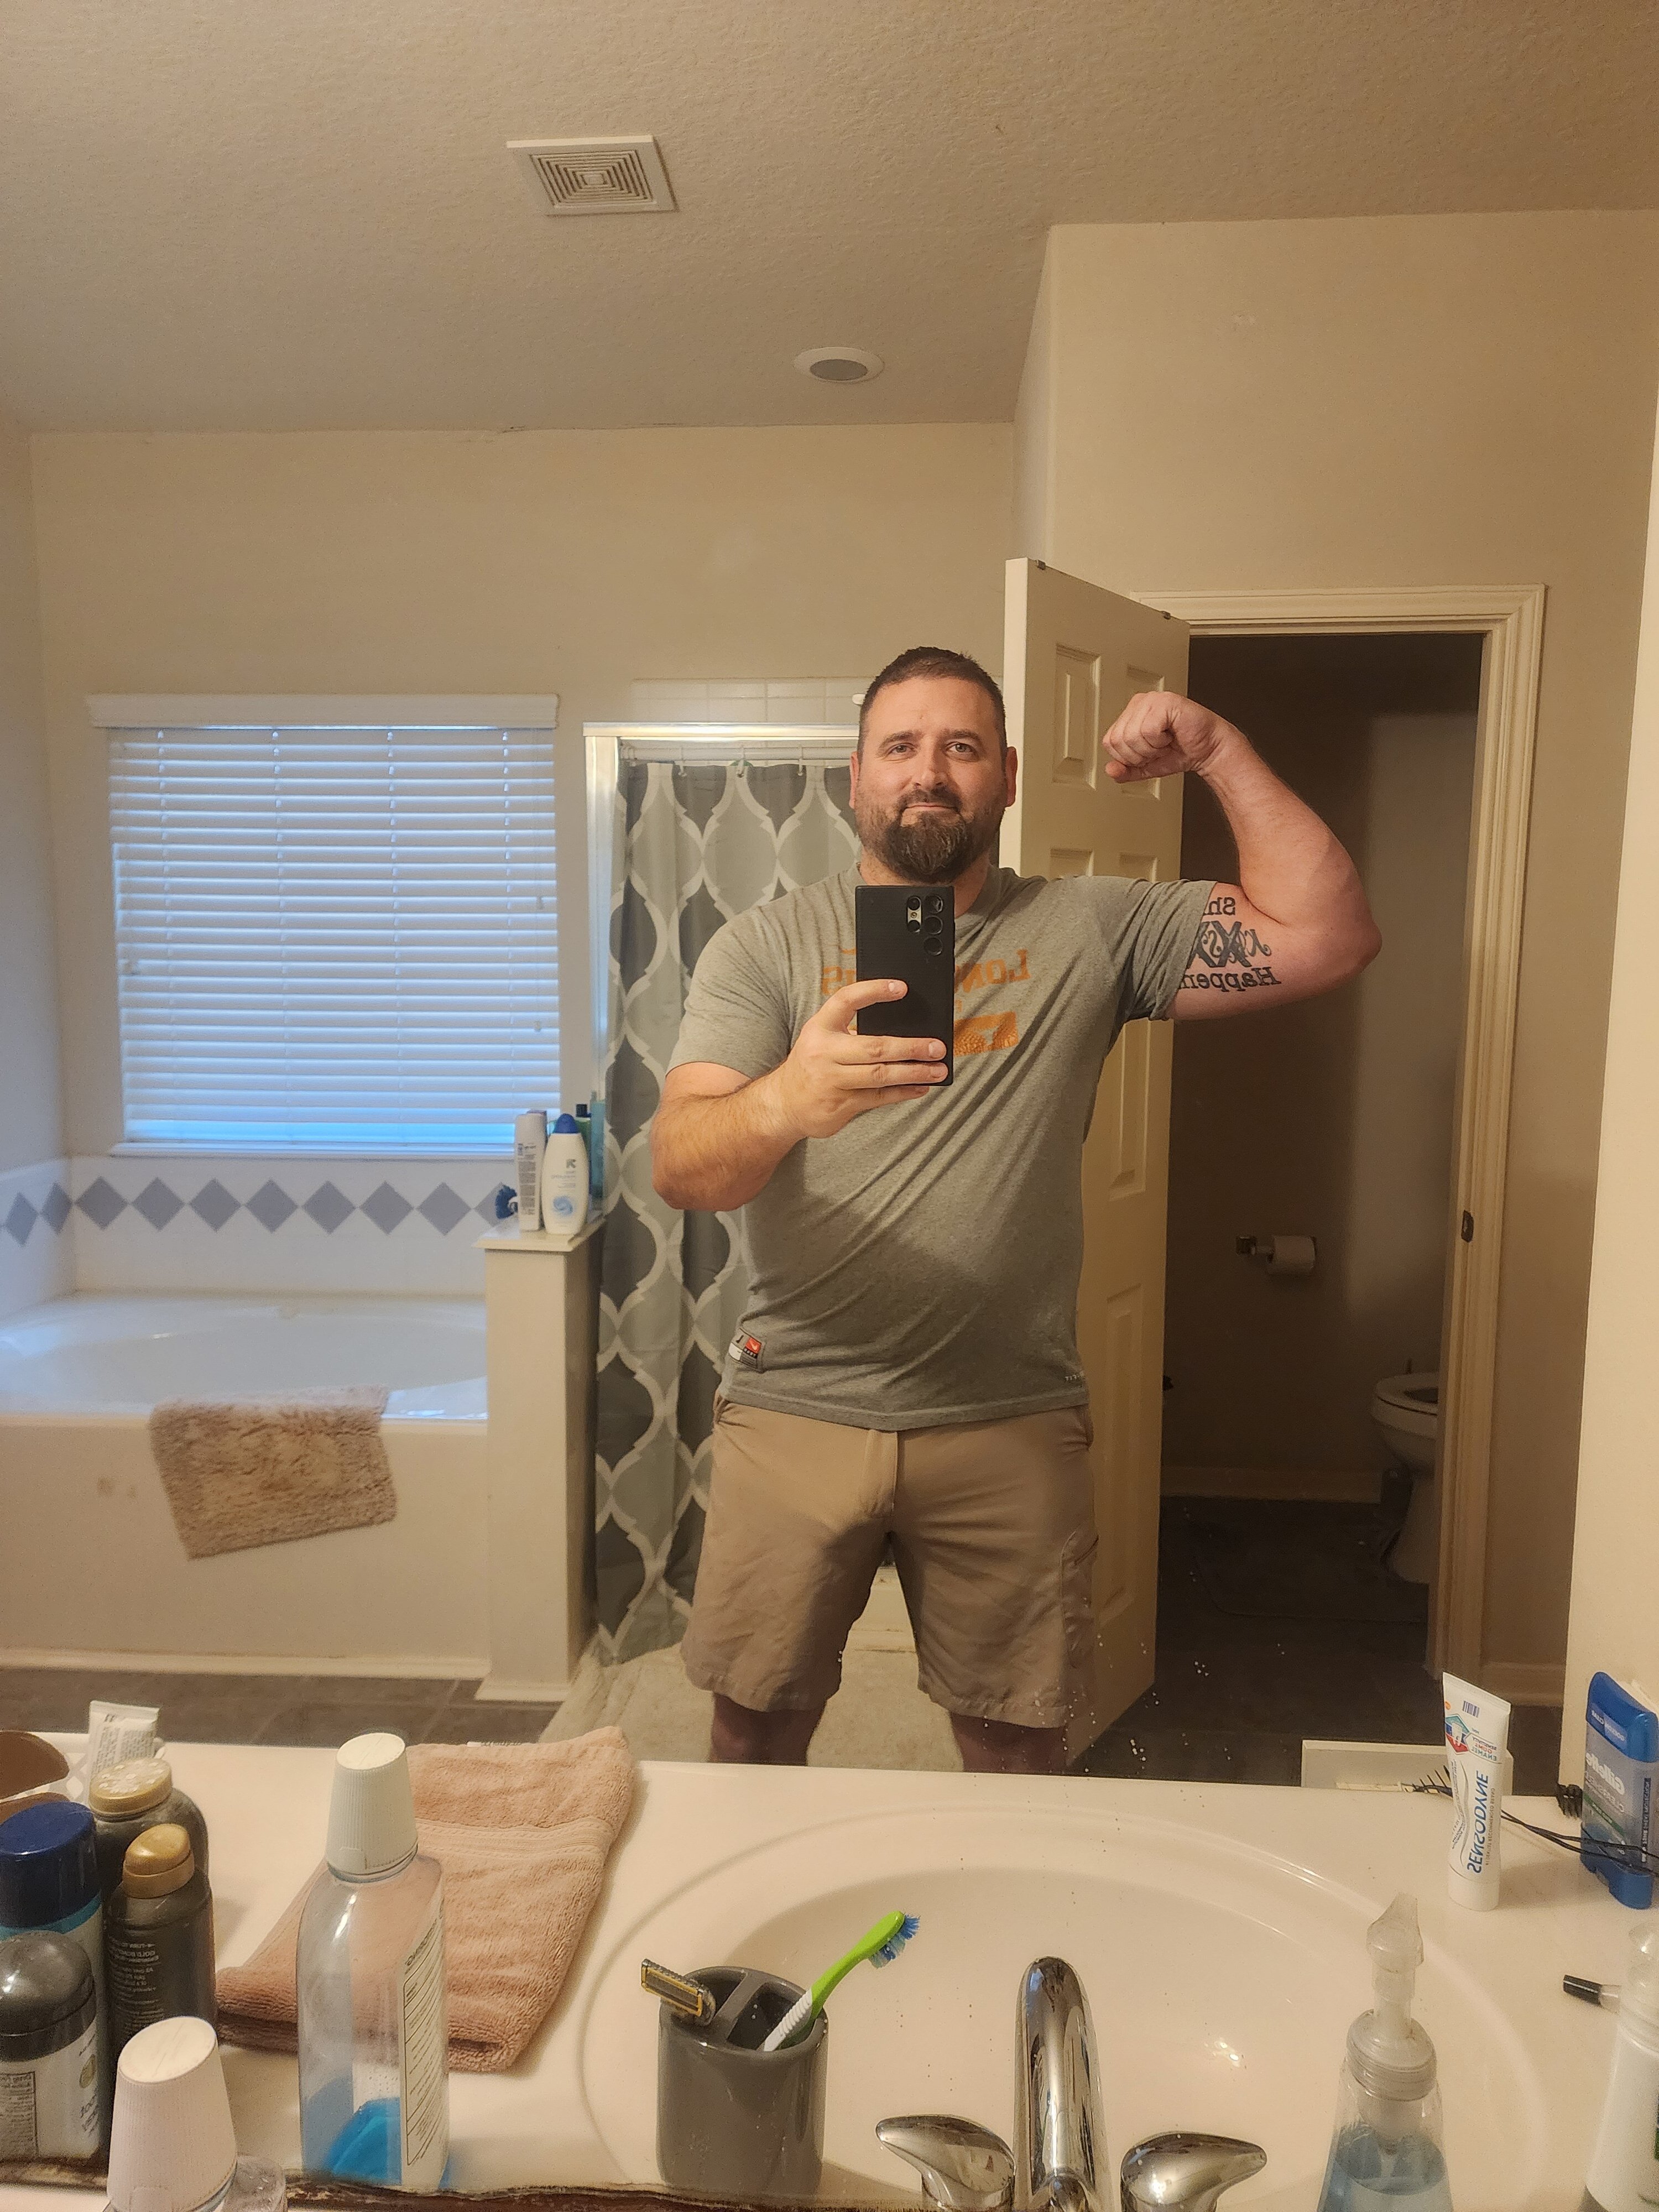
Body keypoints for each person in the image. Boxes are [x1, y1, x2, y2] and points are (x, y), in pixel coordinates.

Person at [650, 644, 1380, 1774]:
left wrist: (1219, 752)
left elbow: (1331, 934)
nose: (929, 772)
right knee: (752, 1729)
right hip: (797, 1403)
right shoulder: (767, 945)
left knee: (1017, 1741)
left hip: (1009, 1416)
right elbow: (684, 1167)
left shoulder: (1091, 927)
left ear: (1009, 777)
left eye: (963, 746)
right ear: (855, 777)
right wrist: (787, 1098)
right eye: (900, 746)